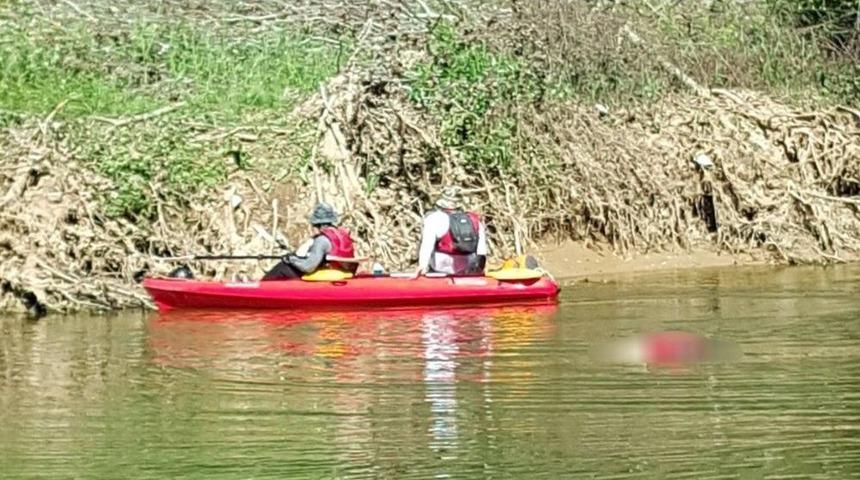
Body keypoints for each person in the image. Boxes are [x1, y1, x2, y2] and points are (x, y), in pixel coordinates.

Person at [262, 202, 356, 281]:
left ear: (318, 225)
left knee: (283, 267)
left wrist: (290, 259)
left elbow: (308, 267)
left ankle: (262, 287)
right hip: (342, 270)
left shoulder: (322, 240)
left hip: (329, 274)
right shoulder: (340, 233)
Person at [415, 187, 488, 277]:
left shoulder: (434, 219)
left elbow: (427, 246)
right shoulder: (473, 220)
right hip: (467, 267)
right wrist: (479, 271)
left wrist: (422, 266)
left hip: (440, 268)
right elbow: (482, 251)